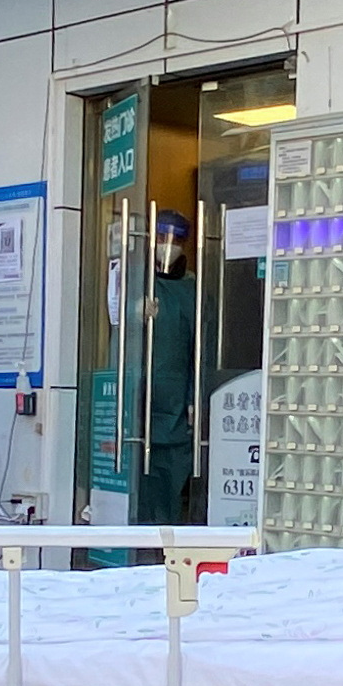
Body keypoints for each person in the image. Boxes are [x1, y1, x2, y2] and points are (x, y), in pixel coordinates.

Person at [136, 209, 198, 523]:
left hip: (176, 405)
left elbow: (200, 350)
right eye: (161, 238)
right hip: (139, 398)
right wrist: (135, 316)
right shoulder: (136, 281)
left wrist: (192, 399)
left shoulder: (193, 291)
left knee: (170, 480)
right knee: (139, 477)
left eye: (175, 240)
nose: (167, 245)